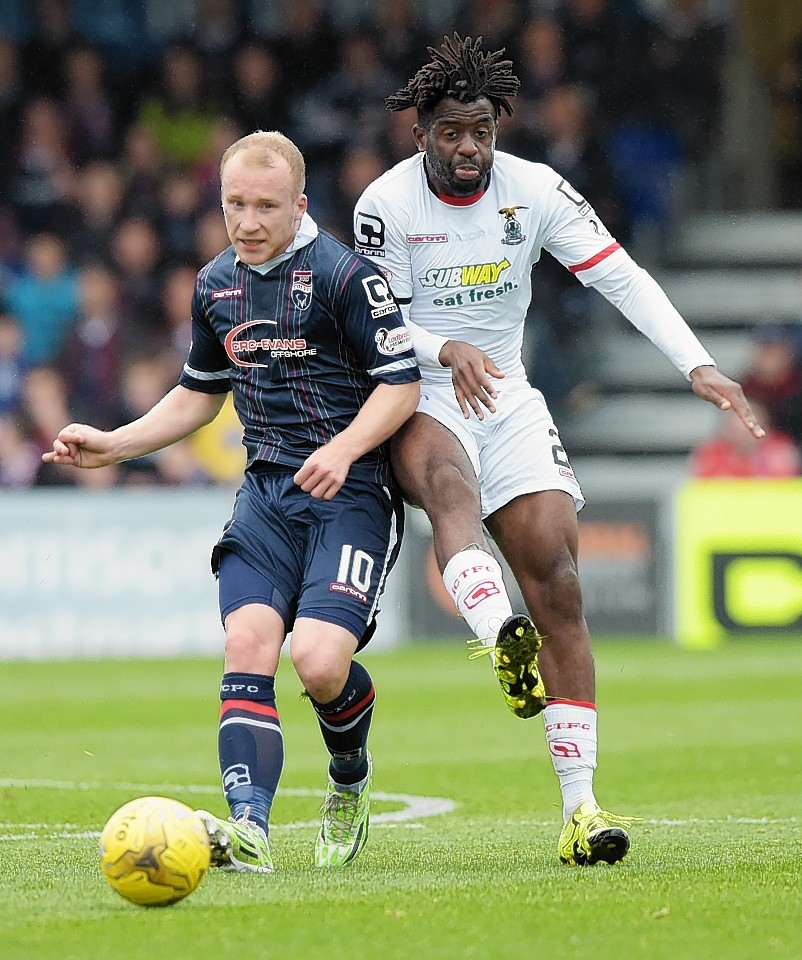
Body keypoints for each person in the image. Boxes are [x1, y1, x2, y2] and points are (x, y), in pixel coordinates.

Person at [354, 33, 764, 866]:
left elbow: (618, 274)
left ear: (496, 128)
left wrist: (698, 363)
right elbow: (374, 321)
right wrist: (444, 350)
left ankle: (581, 812)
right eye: (450, 133)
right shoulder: (386, 205)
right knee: (448, 493)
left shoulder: (534, 189)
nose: (467, 147)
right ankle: (499, 628)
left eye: (481, 131)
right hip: (418, 389)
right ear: (420, 133)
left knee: (562, 582)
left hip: (506, 394)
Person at [43, 130, 421, 872]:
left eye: (266, 207)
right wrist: (114, 444)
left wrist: (343, 449)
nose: (247, 222)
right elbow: (199, 395)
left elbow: (401, 383)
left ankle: (349, 775)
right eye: (234, 205)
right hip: (266, 499)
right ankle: (249, 828)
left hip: (350, 497)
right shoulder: (216, 283)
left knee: (316, 663)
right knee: (249, 644)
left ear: (300, 205)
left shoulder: (346, 277)